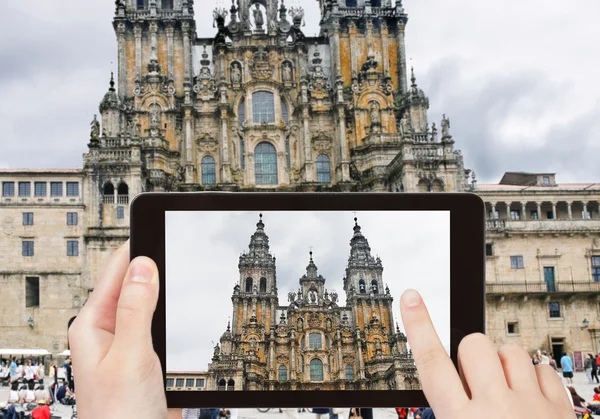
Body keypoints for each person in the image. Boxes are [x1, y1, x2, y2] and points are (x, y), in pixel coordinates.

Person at [68, 242, 575, 419]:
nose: (256, 284)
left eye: (367, 280)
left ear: (365, 278)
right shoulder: (273, 324)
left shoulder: (344, 319)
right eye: (255, 278)